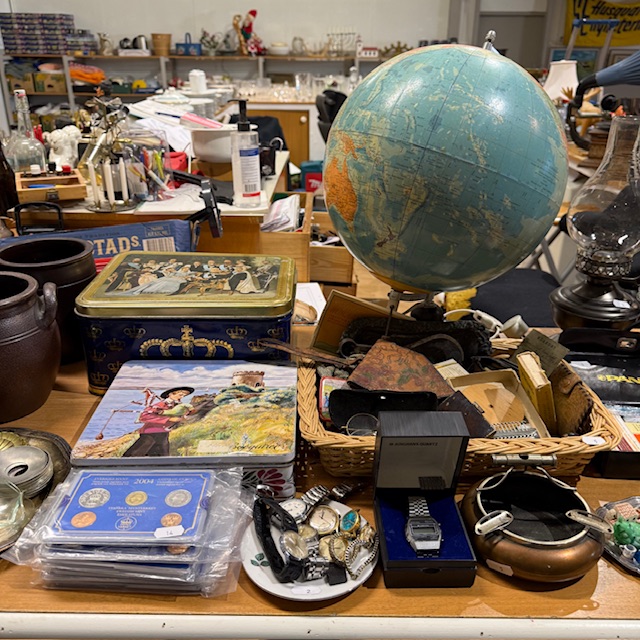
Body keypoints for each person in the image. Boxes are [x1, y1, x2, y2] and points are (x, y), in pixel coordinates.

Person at [122, 387, 194, 457]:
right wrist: (169, 419)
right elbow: (144, 416)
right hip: (150, 433)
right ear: (170, 394)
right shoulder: (160, 404)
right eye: (180, 395)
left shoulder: (176, 406)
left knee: (160, 457)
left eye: (184, 396)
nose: (181, 397)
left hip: (163, 433)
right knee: (134, 455)